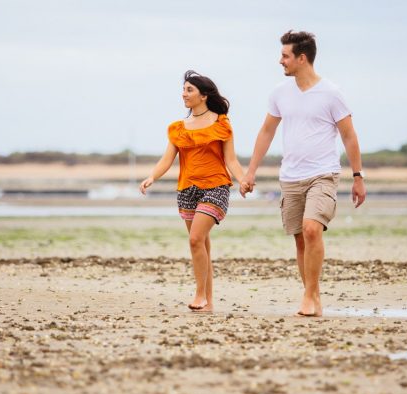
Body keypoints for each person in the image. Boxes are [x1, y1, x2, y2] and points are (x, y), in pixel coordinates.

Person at [241, 30, 366, 317]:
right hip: (290, 176)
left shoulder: (332, 93)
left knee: (312, 229)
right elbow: (267, 131)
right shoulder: (279, 93)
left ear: (302, 58)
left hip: (323, 174)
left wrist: (358, 176)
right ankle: (313, 294)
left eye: (285, 56)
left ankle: (310, 296)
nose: (280, 61)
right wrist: (250, 172)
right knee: (300, 238)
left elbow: (349, 136)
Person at [140, 70, 246, 313]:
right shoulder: (178, 128)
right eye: (184, 89)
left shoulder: (221, 123)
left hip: (216, 186)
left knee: (195, 239)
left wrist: (242, 180)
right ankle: (208, 302)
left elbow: (231, 160)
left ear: (204, 95)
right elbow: (167, 159)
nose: (184, 94)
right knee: (202, 245)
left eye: (190, 90)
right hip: (187, 189)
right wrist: (151, 177)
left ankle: (199, 294)